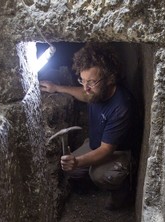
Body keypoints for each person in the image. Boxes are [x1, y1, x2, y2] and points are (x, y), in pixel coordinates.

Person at [39, 43, 139, 210]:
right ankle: (90, 180)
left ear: (110, 78)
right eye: (82, 80)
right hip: (96, 143)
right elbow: (84, 94)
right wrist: (57, 88)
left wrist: (77, 161)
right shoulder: (95, 91)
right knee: (70, 170)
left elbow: (106, 150)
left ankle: (121, 191)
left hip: (118, 152)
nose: (86, 87)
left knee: (99, 174)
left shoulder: (121, 106)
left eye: (91, 82)